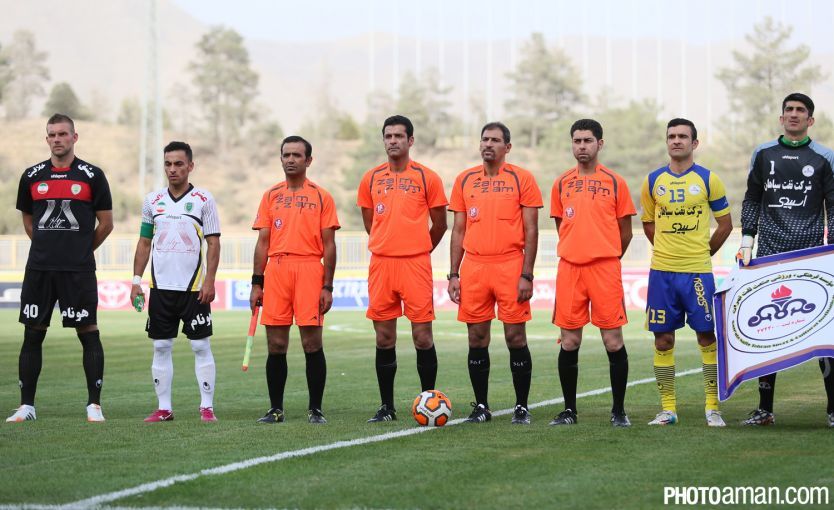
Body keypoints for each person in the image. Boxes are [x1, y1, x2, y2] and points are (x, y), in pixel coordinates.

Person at [8, 113, 113, 423]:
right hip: (40, 269)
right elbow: (29, 221)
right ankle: (26, 406)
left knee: (88, 331)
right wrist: (47, 247)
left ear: (74, 137)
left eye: (63, 134)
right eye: (52, 134)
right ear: (47, 139)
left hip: (78, 270)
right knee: (32, 333)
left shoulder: (92, 176)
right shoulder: (31, 176)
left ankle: (94, 406)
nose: (57, 139)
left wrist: (80, 250)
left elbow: (106, 223)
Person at [738, 92, 834, 427]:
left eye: (800, 110)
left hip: (812, 257)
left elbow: (833, 205)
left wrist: (832, 248)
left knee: (823, 334)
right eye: (789, 110)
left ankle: (833, 409)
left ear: (810, 119)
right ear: (781, 118)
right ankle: (765, 410)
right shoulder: (763, 153)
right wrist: (747, 241)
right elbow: (752, 198)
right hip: (769, 255)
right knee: (767, 333)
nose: (794, 114)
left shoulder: (825, 157)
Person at [640, 118, 733, 427]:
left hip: (698, 273)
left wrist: (702, 253)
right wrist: (667, 250)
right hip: (662, 273)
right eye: (671, 136)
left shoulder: (708, 179)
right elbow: (648, 223)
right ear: (667, 142)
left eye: (682, 136)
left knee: (706, 336)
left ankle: (712, 408)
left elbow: (725, 224)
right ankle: (668, 409)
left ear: (694, 143)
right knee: (663, 340)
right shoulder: (653, 181)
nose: (676, 140)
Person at [447, 122, 542, 425]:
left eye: (495, 140)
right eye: (485, 139)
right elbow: (458, 229)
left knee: (515, 336)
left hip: (510, 265)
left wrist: (527, 274)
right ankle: (481, 406)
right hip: (474, 267)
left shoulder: (522, 179)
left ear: (507, 147)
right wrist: (453, 273)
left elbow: (531, 229)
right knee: (476, 337)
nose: (488, 144)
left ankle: (521, 406)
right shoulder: (464, 180)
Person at [357, 115, 448, 422]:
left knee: (422, 336)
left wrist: (418, 248)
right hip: (382, 264)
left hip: (415, 264)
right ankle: (387, 407)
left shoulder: (427, 177)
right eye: (388, 136)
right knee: (384, 338)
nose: (393, 140)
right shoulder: (370, 178)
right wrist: (387, 243)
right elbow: (370, 222)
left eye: (398, 136)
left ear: (410, 141)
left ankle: (429, 402)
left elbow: (440, 224)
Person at [549, 119, 635, 427]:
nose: (582, 146)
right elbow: (562, 225)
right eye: (577, 141)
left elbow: (626, 232)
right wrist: (578, 249)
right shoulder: (561, 183)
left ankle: (619, 411)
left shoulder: (615, 182)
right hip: (570, 269)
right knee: (569, 341)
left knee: (612, 341)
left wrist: (606, 254)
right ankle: (569, 411)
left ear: (600, 143)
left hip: (604, 268)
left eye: (587, 140)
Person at [250, 136, 339, 424]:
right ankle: (276, 409)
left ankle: (315, 409)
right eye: (286, 155)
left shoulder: (322, 196)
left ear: (308, 160)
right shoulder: (270, 195)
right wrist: (257, 282)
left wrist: (327, 285)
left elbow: (329, 245)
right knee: (276, 344)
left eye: (297, 155)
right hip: (277, 269)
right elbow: (263, 242)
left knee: (312, 343)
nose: (290, 159)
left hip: (310, 268)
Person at [130, 142, 221, 423]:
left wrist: (210, 280)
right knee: (160, 346)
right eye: (168, 164)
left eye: (179, 164)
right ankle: (164, 408)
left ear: (190, 166)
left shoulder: (204, 199)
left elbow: (213, 243)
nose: (172, 169)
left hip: (194, 289)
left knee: (200, 346)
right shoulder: (152, 200)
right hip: (160, 289)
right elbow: (144, 242)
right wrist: (136, 281)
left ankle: (207, 407)